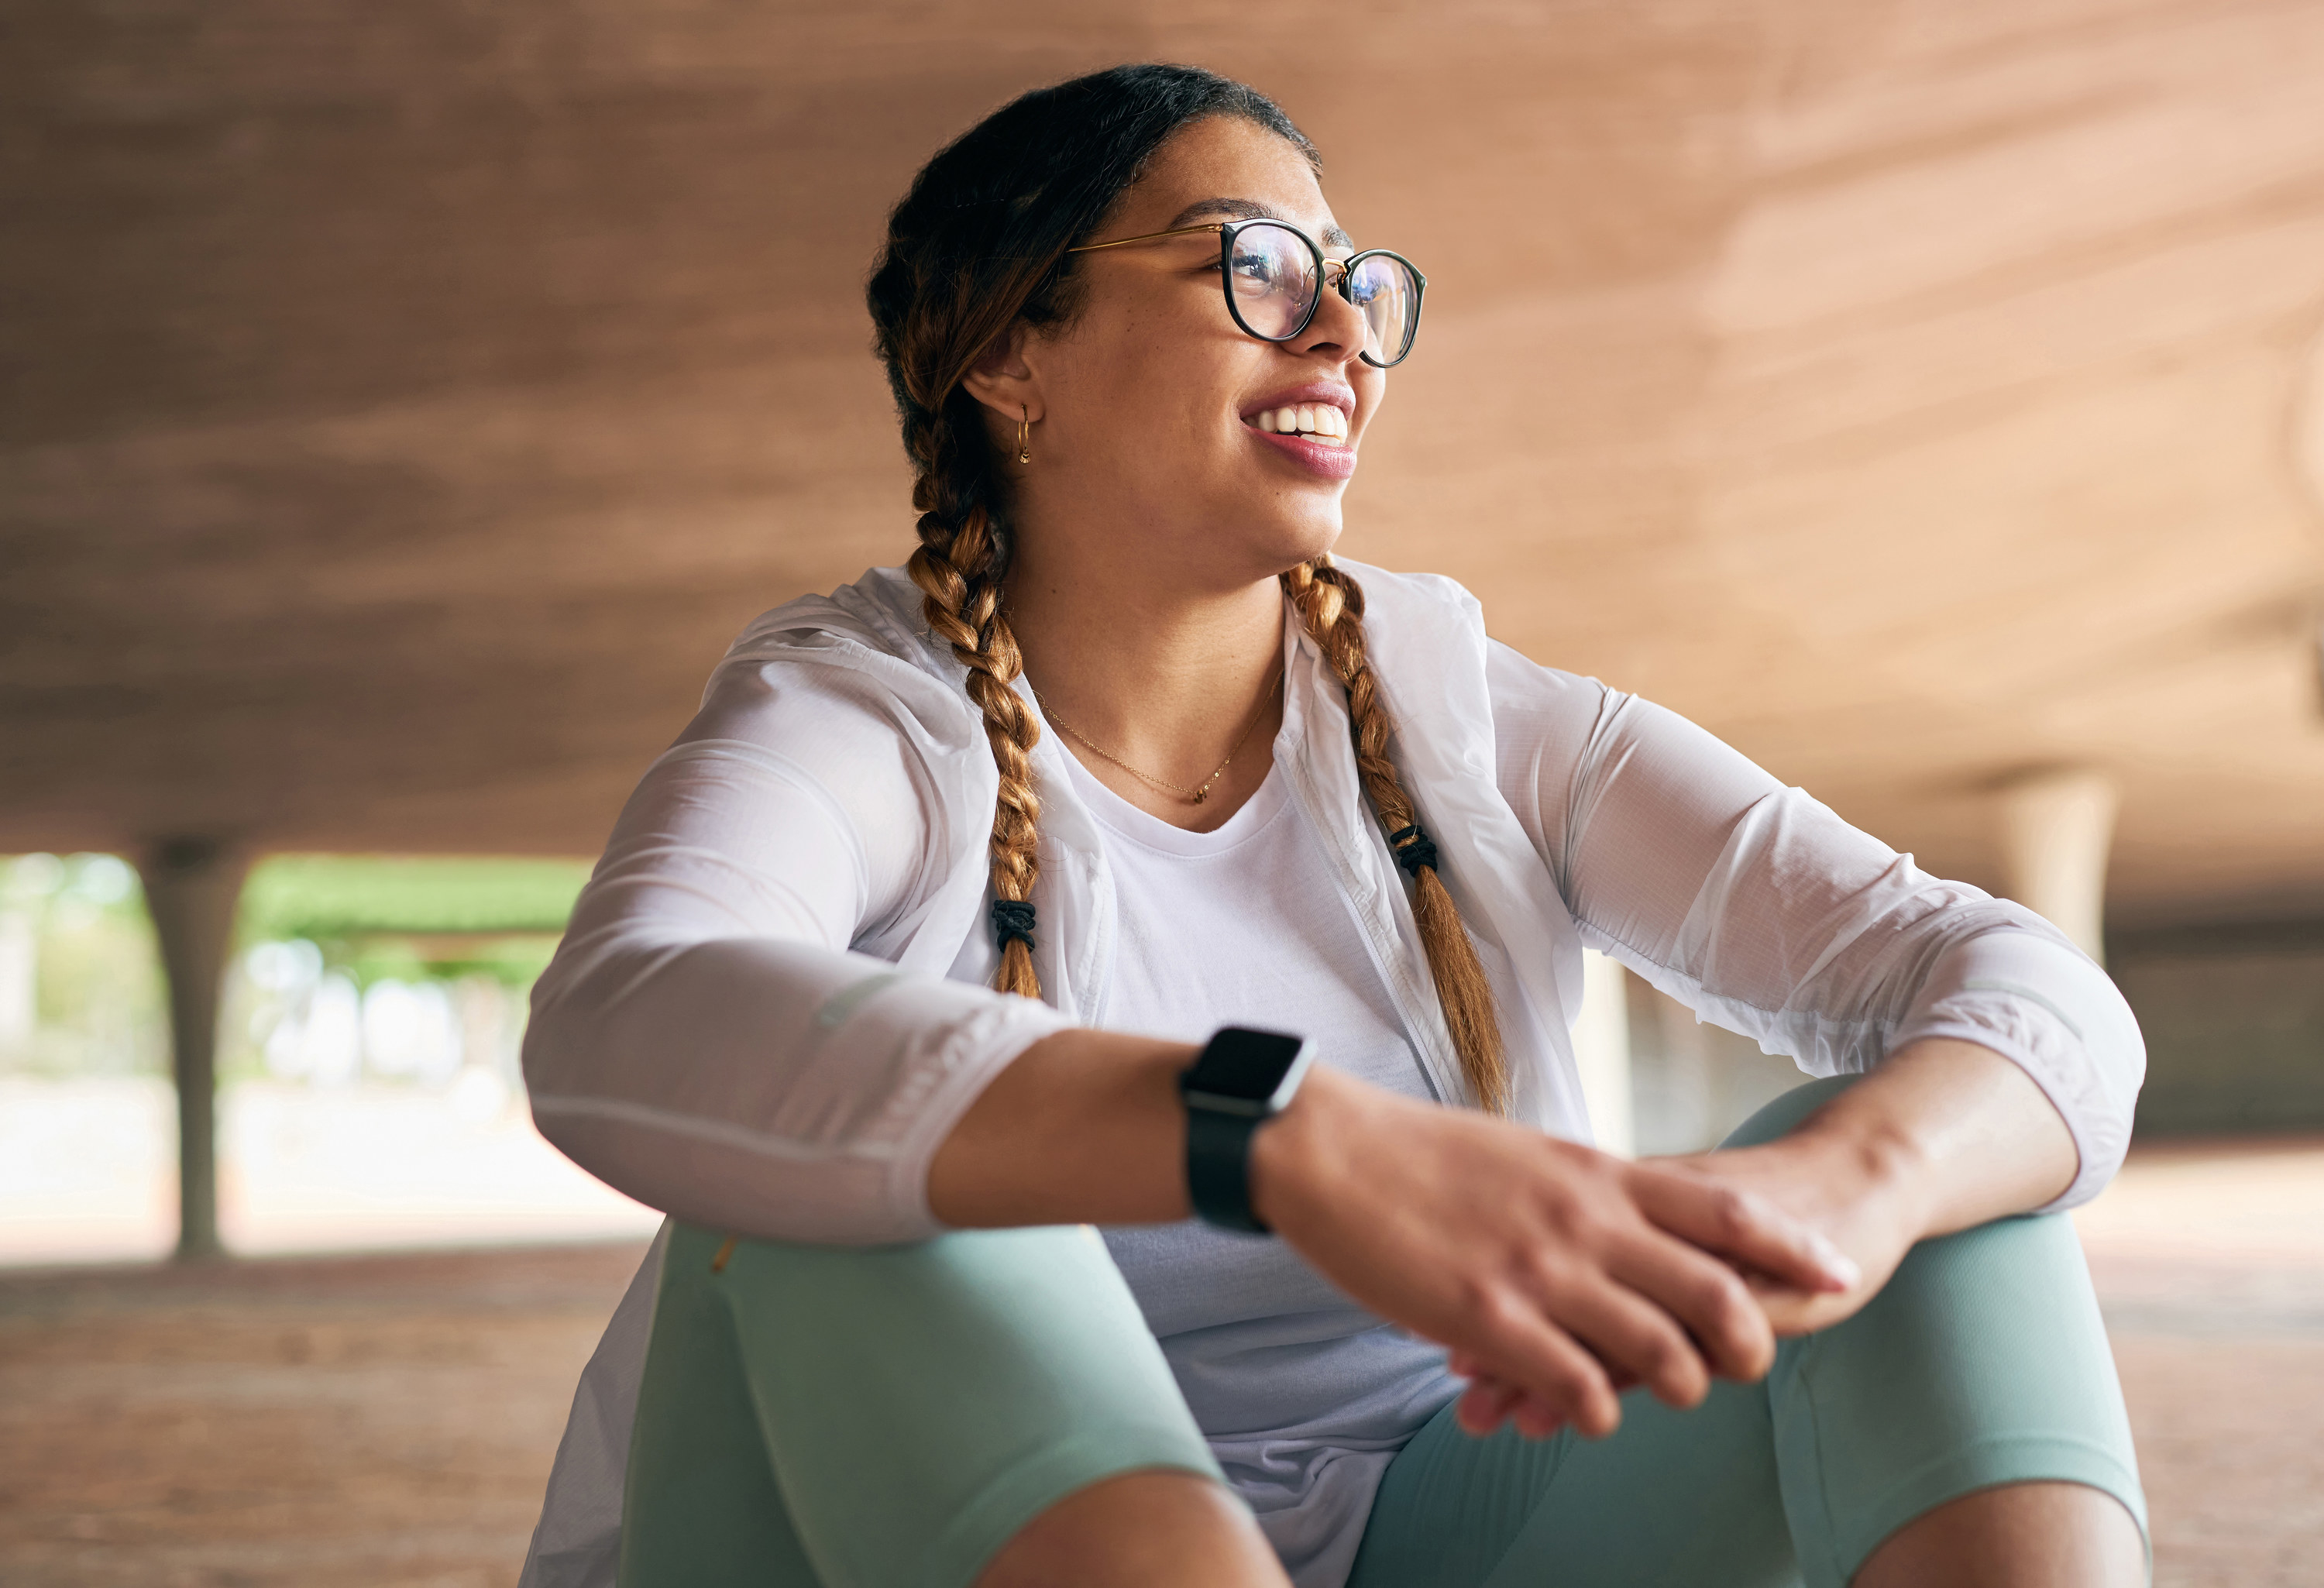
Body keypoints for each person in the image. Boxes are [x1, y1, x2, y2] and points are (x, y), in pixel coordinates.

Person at [516, 64, 2150, 1588]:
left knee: (1945, 1205)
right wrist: (1283, 1133)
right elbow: (625, 1007)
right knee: (840, 1185)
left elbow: (2027, 989)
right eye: (1258, 274)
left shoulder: (1475, 721)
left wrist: (1841, 1194)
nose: (1344, 343)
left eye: (1359, 291)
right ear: (1013, 355)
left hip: (1455, 1496)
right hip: (892, 1520)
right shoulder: (864, 714)